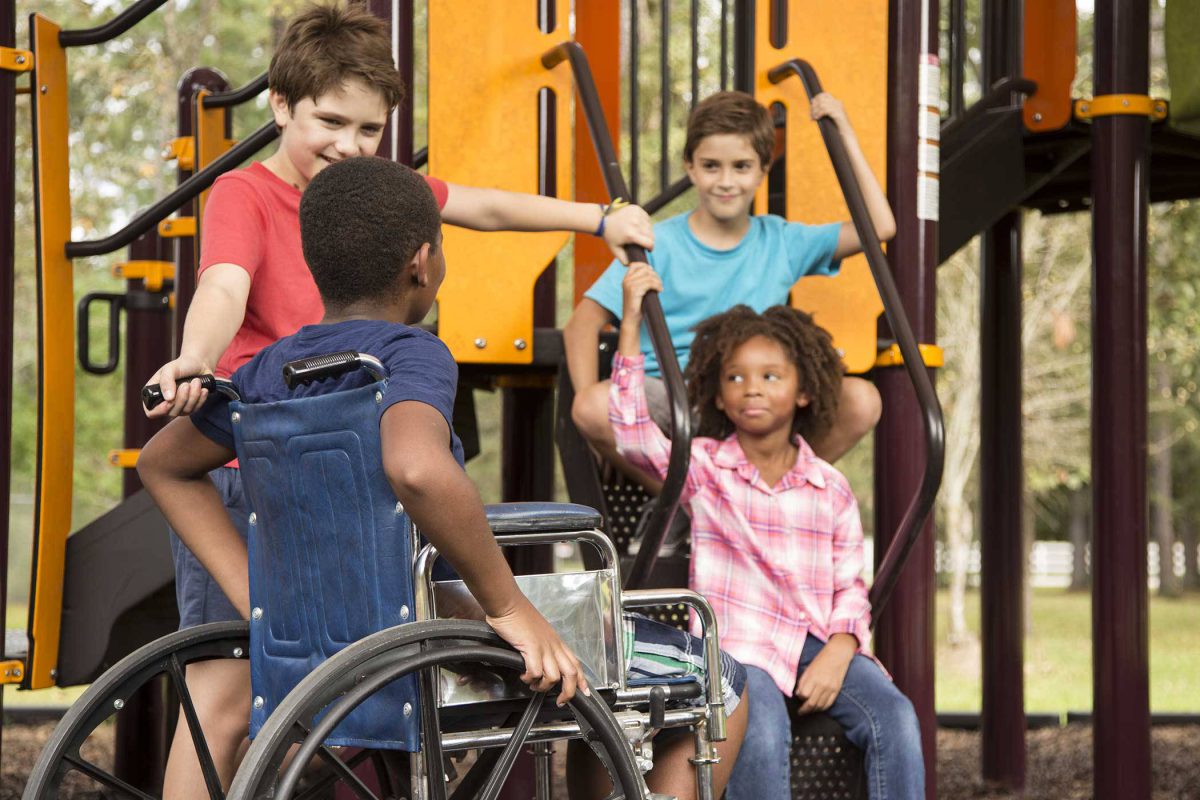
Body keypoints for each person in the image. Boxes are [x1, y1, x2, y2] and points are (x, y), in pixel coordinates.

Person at [140, 5, 651, 797]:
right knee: (225, 691)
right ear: (281, 106)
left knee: (370, 676)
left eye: (370, 129)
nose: (348, 145)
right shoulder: (246, 195)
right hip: (257, 464)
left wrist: (597, 218)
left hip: (356, 470)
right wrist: (196, 360)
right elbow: (224, 282)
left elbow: (478, 205)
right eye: (329, 121)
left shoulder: (375, 198)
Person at [608, 265, 924, 799]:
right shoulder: (706, 469)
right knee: (763, 726)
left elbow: (850, 585)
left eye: (771, 376)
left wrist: (842, 648)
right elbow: (634, 436)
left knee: (895, 716)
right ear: (719, 393)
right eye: (736, 377)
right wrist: (632, 320)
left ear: (804, 393)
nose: (752, 388)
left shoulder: (829, 486)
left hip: (815, 642)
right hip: (739, 644)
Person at [565, 90, 894, 490]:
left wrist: (844, 135)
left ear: (761, 170)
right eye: (711, 166)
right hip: (668, 398)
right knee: (592, 406)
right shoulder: (657, 243)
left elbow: (880, 227)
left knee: (862, 400)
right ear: (690, 167)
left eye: (741, 167)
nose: (726, 181)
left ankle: (767, 492)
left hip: (749, 393)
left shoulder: (782, 241)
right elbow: (582, 324)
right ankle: (689, 500)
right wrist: (597, 425)